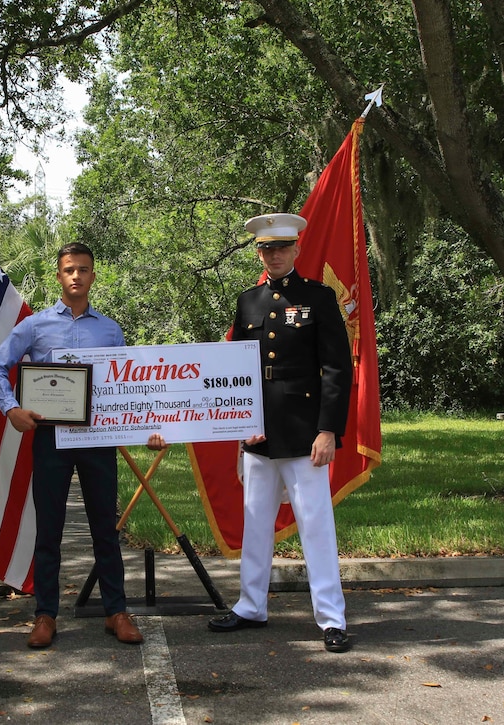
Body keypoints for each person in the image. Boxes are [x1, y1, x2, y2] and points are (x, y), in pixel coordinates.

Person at [0, 242, 144, 649]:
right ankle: (45, 614)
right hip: (51, 439)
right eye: (69, 269)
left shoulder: (110, 330)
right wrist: (11, 408)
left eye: (84, 269)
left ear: (93, 275)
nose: (76, 275)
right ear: (59, 276)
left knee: (104, 529)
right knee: (49, 530)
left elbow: (125, 387)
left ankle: (116, 611)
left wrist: (146, 427)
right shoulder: (35, 327)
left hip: (97, 440)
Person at [207, 212, 354, 653]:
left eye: (282, 247)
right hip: (258, 431)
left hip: (305, 430)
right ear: (259, 252)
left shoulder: (319, 298)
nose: (274, 255)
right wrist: (241, 423)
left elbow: (337, 368)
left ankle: (331, 617)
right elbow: (237, 371)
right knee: (255, 522)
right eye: (266, 248)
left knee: (315, 523)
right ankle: (251, 605)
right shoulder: (247, 301)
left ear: (296, 249)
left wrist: (328, 429)